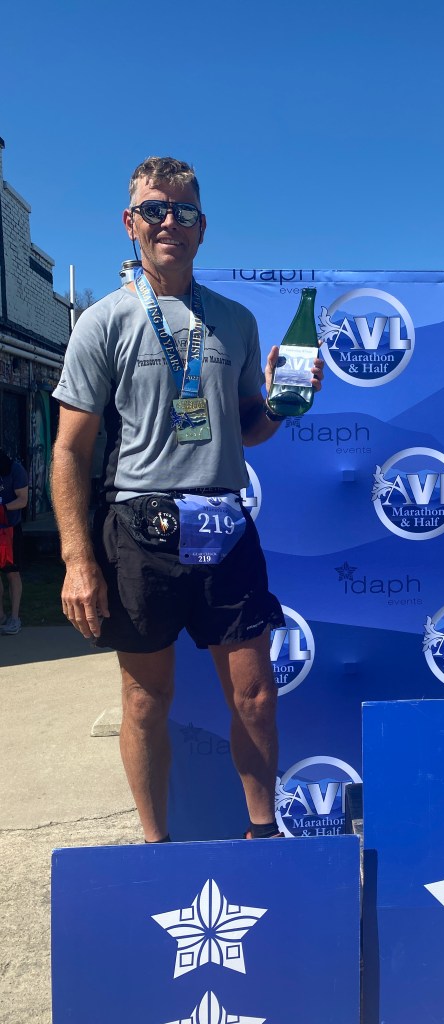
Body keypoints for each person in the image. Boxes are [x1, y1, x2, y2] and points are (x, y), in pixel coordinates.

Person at [51, 156, 323, 842]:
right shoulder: (103, 322)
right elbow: (69, 452)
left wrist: (283, 403)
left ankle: (264, 839)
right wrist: (78, 561)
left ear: (203, 228)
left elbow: (249, 428)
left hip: (224, 525)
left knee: (256, 697)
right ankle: (156, 850)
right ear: (130, 222)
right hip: (138, 531)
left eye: (184, 211)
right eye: (155, 209)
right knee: (146, 701)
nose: (169, 221)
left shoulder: (235, 321)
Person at [0, 449, 29, 635]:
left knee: (12, 573)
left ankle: (15, 617)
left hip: (10, 529)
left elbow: (22, 500)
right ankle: (1, 616)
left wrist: (2, 508)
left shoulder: (14, 469)